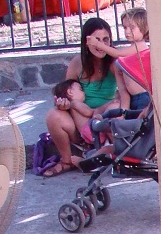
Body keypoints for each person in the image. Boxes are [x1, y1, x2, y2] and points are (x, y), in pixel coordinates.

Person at [44, 17, 120, 175]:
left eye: (106, 39)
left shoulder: (114, 62)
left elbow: (124, 93)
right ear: (87, 41)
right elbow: (67, 90)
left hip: (105, 118)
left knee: (115, 108)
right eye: (97, 40)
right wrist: (63, 103)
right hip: (82, 123)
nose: (101, 44)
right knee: (53, 115)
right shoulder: (77, 63)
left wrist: (99, 110)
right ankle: (67, 161)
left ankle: (118, 158)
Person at [87, 8, 152, 114]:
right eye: (125, 27)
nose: (127, 31)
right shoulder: (128, 53)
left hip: (144, 97)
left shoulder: (140, 46)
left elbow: (117, 53)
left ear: (144, 28)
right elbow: (123, 88)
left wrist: (98, 44)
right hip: (133, 97)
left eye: (132, 28)